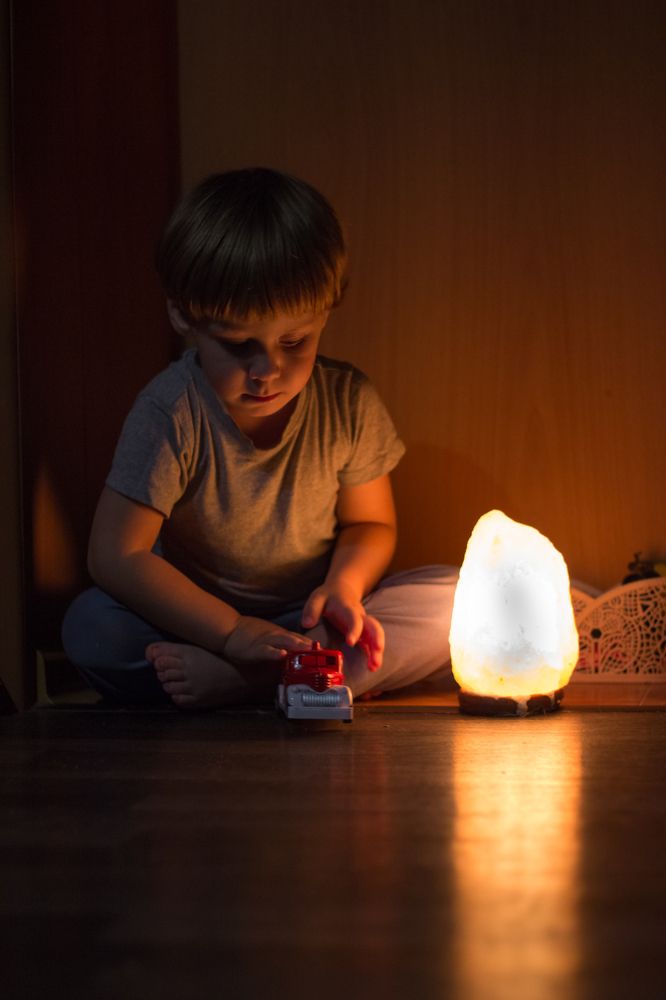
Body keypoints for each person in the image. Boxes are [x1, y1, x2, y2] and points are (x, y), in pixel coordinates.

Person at [62, 168, 457, 709]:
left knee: (452, 601)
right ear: (183, 315)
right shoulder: (172, 412)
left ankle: (247, 682)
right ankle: (298, 681)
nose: (267, 370)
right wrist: (230, 631)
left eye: (294, 342)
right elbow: (115, 555)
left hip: (309, 617)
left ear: (325, 313)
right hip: (195, 619)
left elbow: (370, 524)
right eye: (238, 344)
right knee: (91, 628)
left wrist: (345, 586)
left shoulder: (347, 400)